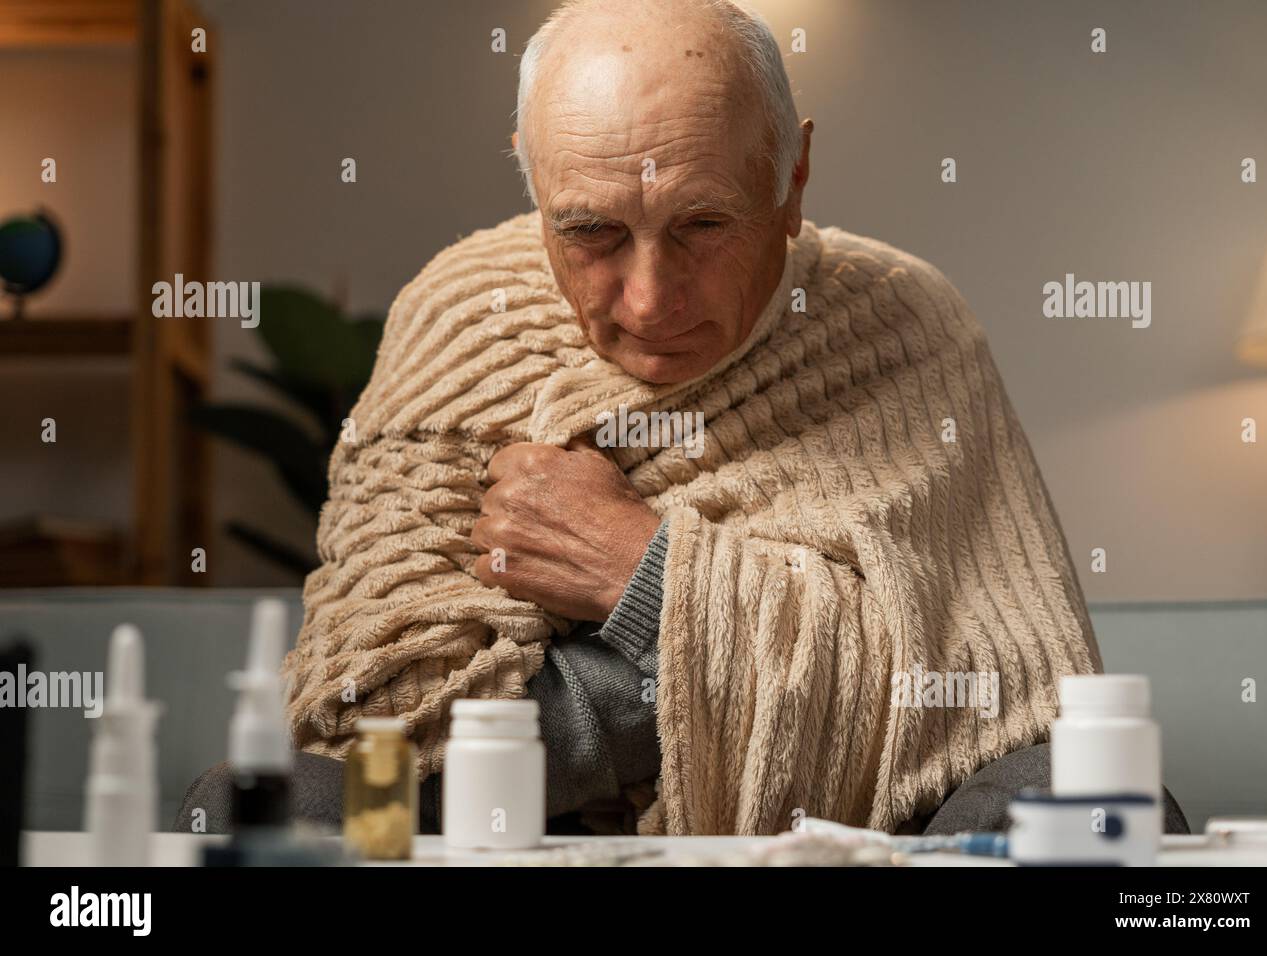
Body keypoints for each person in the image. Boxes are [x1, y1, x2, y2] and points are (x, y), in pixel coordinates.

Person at [179, 0, 1101, 837]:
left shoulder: (905, 320)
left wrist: (643, 573)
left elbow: (994, 691)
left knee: (1076, 796)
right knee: (259, 801)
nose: (653, 300)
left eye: (703, 224)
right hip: (513, 811)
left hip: (863, 820)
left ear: (794, 178)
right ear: (536, 188)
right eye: (591, 233)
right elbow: (380, 699)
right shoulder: (461, 312)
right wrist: (699, 673)